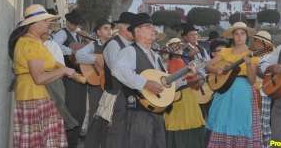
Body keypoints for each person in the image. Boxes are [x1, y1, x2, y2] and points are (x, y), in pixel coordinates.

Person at [111, 13, 196, 148]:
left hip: (156, 112)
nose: (153, 29)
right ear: (137, 31)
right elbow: (118, 70)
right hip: (138, 112)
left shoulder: (155, 57)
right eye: (148, 26)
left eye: (153, 26)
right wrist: (144, 83)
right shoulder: (129, 51)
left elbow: (164, 84)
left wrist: (185, 76)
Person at [8, 4, 75, 148]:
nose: (48, 24)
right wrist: (63, 71)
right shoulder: (31, 43)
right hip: (36, 99)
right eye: (45, 21)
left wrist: (59, 67)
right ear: (34, 24)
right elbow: (39, 78)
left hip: (34, 97)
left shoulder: (29, 41)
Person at [84, 12, 136, 148]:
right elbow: (116, 71)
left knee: (114, 131)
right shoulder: (114, 45)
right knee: (110, 131)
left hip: (124, 94)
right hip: (115, 94)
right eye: (134, 27)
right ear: (124, 28)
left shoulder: (130, 45)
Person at [206, 22, 262, 148]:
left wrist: (248, 65)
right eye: (236, 34)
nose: (239, 37)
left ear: (247, 36)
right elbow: (208, 65)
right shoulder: (225, 51)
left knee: (241, 124)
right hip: (224, 92)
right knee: (223, 122)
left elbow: (252, 81)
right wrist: (216, 70)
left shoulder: (253, 55)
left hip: (242, 93)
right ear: (232, 36)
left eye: (242, 33)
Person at [52, 9, 87, 148]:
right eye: (72, 23)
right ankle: (67, 141)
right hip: (68, 77)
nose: (74, 25)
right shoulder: (62, 33)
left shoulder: (76, 35)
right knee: (71, 110)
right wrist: (71, 51)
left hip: (79, 77)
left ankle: (74, 140)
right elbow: (55, 47)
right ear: (68, 22)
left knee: (80, 111)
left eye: (76, 23)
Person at [164, 38, 206, 148]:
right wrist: (197, 78)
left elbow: (190, 82)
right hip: (180, 98)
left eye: (179, 46)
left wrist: (198, 79)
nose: (179, 49)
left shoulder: (182, 61)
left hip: (187, 97)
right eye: (175, 47)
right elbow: (177, 83)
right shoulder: (173, 62)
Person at [75, 19, 114, 125]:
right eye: (105, 28)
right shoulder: (93, 45)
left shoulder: (115, 45)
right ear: (98, 32)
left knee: (110, 113)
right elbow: (79, 55)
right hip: (96, 83)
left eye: (110, 28)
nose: (109, 31)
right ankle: (92, 139)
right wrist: (96, 59)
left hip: (111, 84)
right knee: (95, 112)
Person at [252, 30, 275, 148]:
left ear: (264, 43)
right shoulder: (254, 54)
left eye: (257, 41)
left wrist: (255, 68)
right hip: (252, 92)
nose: (255, 43)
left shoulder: (270, 56)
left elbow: (267, 75)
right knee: (254, 124)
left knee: (264, 125)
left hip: (264, 93)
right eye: (254, 40)